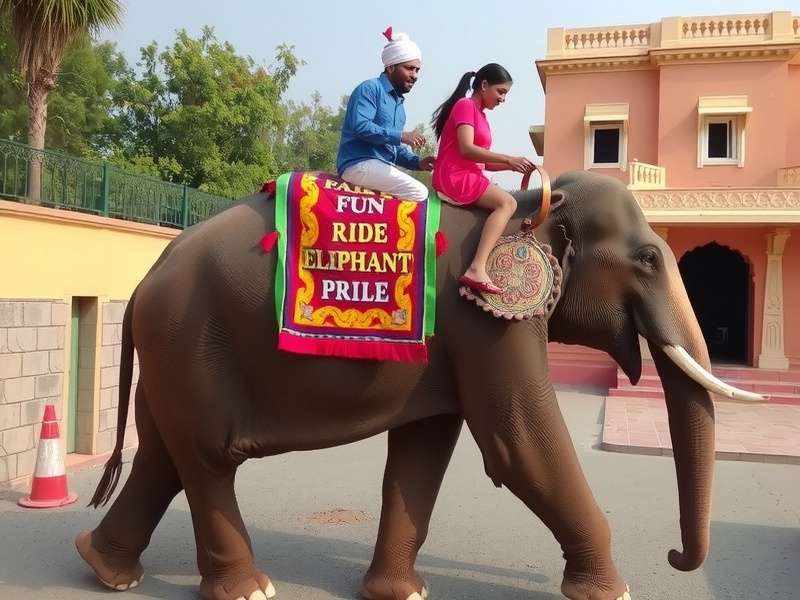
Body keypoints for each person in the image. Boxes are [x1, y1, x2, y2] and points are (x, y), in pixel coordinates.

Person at [431, 63, 534, 294]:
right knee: (507, 203)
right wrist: (508, 159)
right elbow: (467, 149)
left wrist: (513, 167)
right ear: (484, 84)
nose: (503, 99)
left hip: (470, 173)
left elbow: (482, 162)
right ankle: (477, 268)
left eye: (505, 94)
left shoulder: (482, 116)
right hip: (455, 176)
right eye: (501, 92)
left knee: (506, 199)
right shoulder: (466, 105)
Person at [336, 27, 435, 201]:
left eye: (417, 70)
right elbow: (361, 126)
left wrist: (418, 162)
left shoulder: (399, 106)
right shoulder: (370, 88)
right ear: (390, 67)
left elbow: (393, 150)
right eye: (409, 68)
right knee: (419, 192)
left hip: (379, 166)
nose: (415, 75)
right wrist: (401, 136)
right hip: (358, 163)